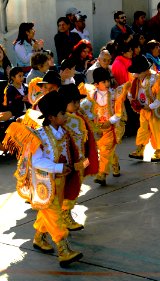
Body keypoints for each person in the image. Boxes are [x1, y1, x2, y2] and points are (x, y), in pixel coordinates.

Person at [3, 90, 84, 267]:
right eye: (63, 113)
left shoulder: (62, 130)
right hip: (45, 183)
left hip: (60, 180)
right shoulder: (39, 136)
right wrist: (59, 167)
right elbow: (38, 161)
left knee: (48, 212)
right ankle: (63, 250)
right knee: (55, 215)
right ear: (52, 117)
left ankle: (39, 238)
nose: (66, 116)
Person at [79, 67, 131, 185]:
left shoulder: (114, 95)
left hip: (112, 127)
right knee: (104, 149)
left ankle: (102, 174)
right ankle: (115, 164)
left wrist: (111, 121)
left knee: (105, 150)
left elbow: (119, 113)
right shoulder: (91, 96)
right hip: (98, 129)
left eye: (108, 81)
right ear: (96, 84)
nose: (107, 84)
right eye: (104, 82)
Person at [59, 84, 98, 229]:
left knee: (77, 184)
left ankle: (66, 212)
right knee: (70, 188)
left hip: (82, 158)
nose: (77, 105)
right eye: (73, 102)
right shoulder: (61, 120)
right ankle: (65, 215)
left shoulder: (79, 116)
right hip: (69, 161)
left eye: (78, 102)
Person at [128, 55, 160, 162]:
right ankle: (140, 148)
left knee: (157, 129)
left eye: (137, 72)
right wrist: (132, 100)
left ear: (144, 70)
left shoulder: (156, 79)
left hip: (157, 110)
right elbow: (132, 92)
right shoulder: (137, 79)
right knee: (143, 129)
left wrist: (150, 106)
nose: (135, 74)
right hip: (144, 109)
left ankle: (159, 150)